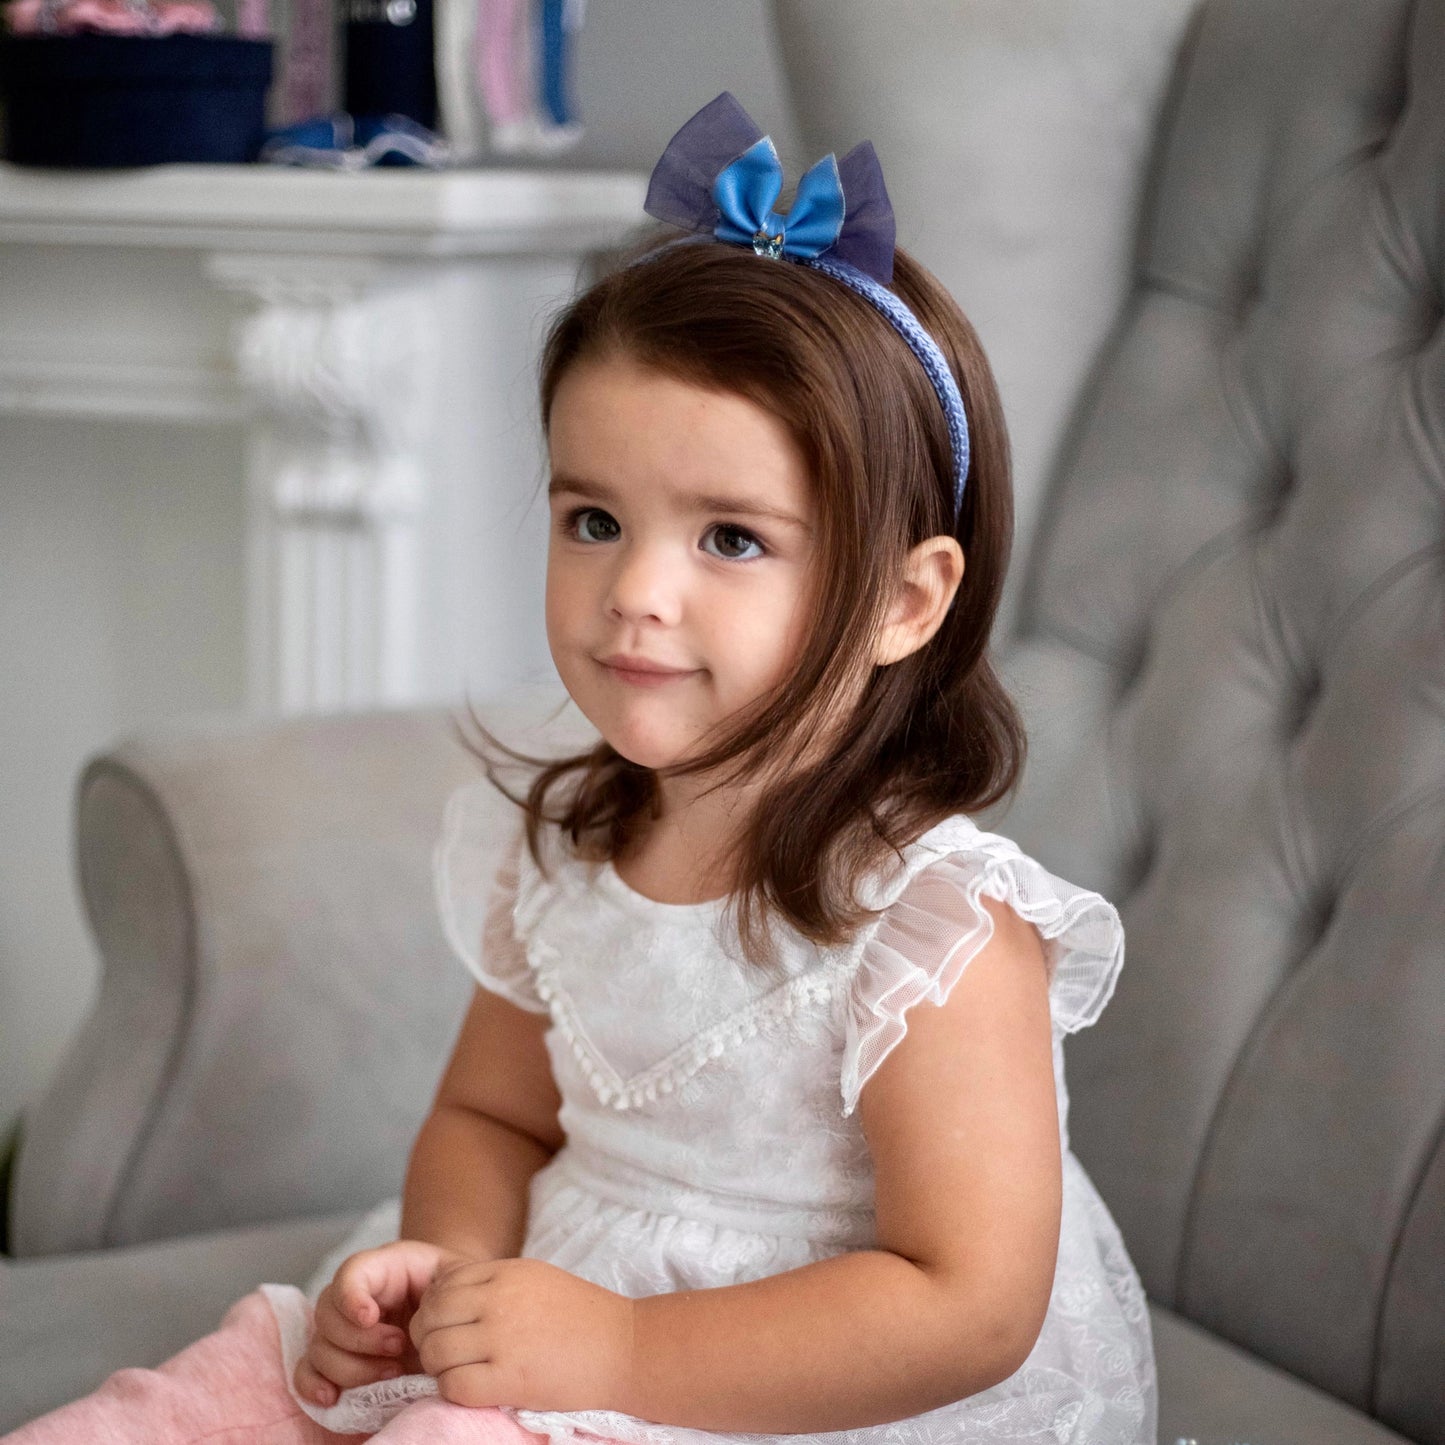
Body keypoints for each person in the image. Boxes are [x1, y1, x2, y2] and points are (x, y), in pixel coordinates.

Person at [6, 92, 1155, 1445]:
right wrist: (441, 1268)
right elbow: (488, 1116)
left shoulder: (934, 927)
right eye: (593, 518)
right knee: (223, 1391)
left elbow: (964, 1307)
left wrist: (614, 1345)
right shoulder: (567, 849)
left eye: (730, 538)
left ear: (909, 601)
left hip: (801, 1389)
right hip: (562, 1301)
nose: (635, 594)